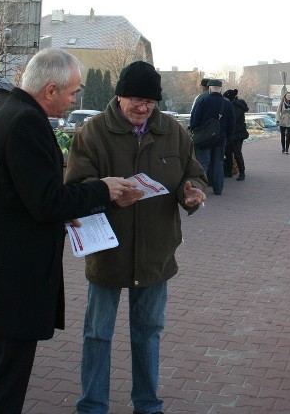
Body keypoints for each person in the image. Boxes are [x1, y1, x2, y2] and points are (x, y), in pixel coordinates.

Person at [0, 48, 133, 414]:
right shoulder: (25, 123)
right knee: (4, 386)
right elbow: (46, 200)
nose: (74, 100)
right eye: (72, 92)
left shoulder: (16, 115)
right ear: (50, 90)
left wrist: (69, 210)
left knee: (3, 377)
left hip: (5, 275)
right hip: (13, 280)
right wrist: (103, 189)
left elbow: (27, 198)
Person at [64, 60, 208, 414]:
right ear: (119, 96)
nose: (142, 109)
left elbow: (193, 175)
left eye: (150, 102)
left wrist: (191, 194)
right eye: (135, 101)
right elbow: (74, 190)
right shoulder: (92, 133)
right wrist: (106, 194)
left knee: (148, 334)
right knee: (97, 334)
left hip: (156, 254)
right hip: (108, 253)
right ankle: (92, 406)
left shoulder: (174, 132)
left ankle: (147, 405)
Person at [190, 79, 234, 194]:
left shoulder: (202, 101)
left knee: (202, 163)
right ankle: (218, 189)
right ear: (220, 89)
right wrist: (227, 137)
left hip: (204, 139)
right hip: (220, 139)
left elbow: (194, 121)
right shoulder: (227, 103)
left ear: (209, 89)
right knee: (218, 163)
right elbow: (231, 123)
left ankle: (200, 189)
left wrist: (197, 132)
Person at [222, 89, 249, 181]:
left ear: (229, 98)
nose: (223, 99)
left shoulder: (237, 106)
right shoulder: (231, 105)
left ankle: (242, 173)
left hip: (237, 134)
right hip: (231, 133)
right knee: (228, 153)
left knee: (237, 153)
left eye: (225, 98)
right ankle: (228, 172)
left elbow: (232, 119)